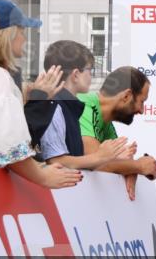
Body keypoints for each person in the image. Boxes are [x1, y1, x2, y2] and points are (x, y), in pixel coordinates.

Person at [0, 0, 82, 188]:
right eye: (22, 31)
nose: (25, 39)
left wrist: (31, 102)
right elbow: (7, 148)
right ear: (6, 33)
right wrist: (42, 176)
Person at [27, 40, 132, 169]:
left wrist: (113, 157)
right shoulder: (54, 106)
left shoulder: (67, 106)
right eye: (90, 70)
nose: (91, 76)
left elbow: (73, 157)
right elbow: (57, 161)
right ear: (76, 75)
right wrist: (100, 157)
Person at [79, 66, 156, 200]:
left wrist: (131, 169)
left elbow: (119, 160)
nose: (142, 110)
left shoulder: (104, 119)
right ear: (126, 96)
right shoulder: (85, 105)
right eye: (142, 102)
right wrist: (137, 166)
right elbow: (96, 162)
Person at [0, 0, 41, 92]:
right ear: (8, 35)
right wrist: (38, 97)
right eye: (21, 33)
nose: (25, 38)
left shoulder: (1, 73)